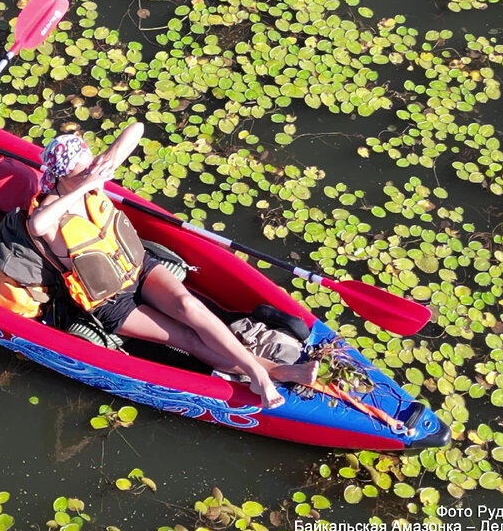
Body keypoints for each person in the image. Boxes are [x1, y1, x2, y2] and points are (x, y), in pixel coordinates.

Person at [27, 124, 318, 409]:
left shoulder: (91, 180)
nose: (92, 174)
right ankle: (264, 373)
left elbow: (136, 129)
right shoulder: (51, 210)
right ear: (64, 177)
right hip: (110, 300)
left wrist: (107, 159)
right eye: (83, 171)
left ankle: (269, 372)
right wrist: (88, 185)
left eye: (91, 166)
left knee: (191, 307)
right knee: (188, 338)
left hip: (139, 269)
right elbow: (36, 224)